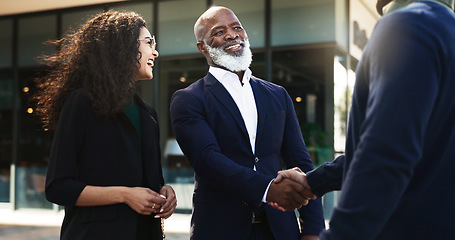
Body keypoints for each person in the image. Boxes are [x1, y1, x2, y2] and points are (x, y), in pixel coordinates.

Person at [273, 0, 455, 239]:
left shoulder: (409, 25)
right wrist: (313, 182)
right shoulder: (445, 32)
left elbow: (386, 154)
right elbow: (417, 144)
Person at [169, 6, 324, 240]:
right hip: (220, 230)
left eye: (237, 27)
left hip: (280, 230)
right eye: (219, 31)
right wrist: (268, 189)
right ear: (202, 47)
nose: (232, 35)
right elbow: (207, 160)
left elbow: (301, 161)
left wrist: (313, 229)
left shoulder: (278, 94)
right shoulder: (189, 99)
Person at [35, 11, 176, 240]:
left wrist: (164, 191)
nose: (155, 51)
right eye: (149, 42)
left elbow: (149, 181)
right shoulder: (81, 102)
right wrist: (124, 195)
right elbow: (58, 186)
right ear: (123, 47)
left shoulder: (148, 113)